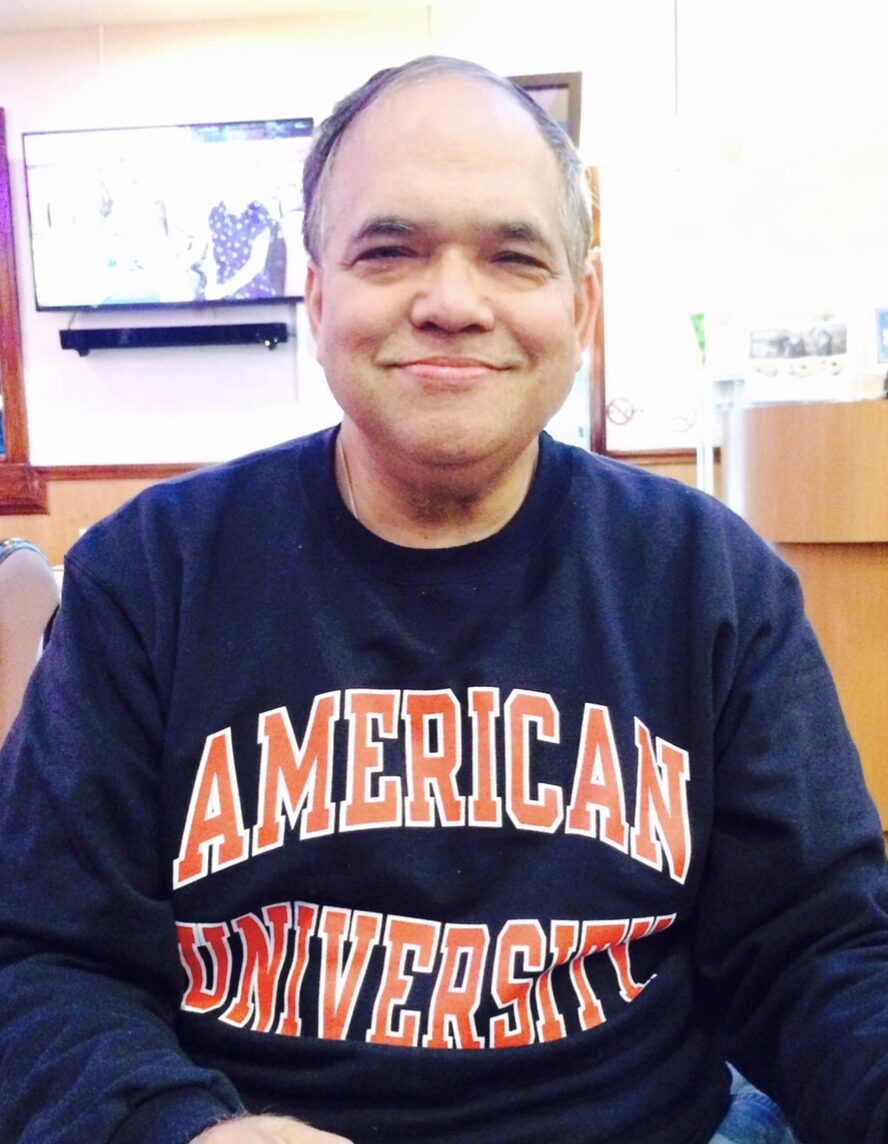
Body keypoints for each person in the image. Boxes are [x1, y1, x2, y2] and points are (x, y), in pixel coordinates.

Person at [0, 55, 886, 1144]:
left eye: (513, 255)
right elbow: (39, 961)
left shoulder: (716, 582)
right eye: (391, 249)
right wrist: (182, 1129)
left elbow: (820, 952)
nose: (452, 301)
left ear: (582, 305)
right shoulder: (148, 578)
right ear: (318, 293)